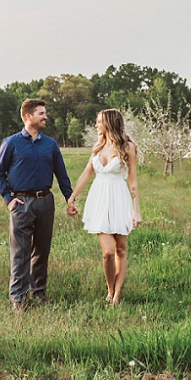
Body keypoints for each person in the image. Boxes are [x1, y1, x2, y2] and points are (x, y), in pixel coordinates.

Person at [0, 99, 76, 310]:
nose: (45, 116)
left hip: (46, 202)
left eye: (45, 113)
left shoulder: (50, 144)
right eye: (41, 113)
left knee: (42, 250)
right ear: (28, 116)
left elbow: (62, 175)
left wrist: (70, 198)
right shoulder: (11, 143)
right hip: (21, 203)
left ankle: (39, 293)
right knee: (20, 252)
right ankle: (18, 298)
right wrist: (9, 200)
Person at [67, 109, 141, 305]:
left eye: (99, 122)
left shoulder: (128, 147)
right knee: (108, 252)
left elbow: (133, 181)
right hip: (99, 200)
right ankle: (110, 289)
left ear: (109, 123)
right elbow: (86, 173)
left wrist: (136, 210)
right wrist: (72, 197)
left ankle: (116, 295)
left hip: (119, 198)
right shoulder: (98, 147)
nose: (96, 125)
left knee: (121, 249)